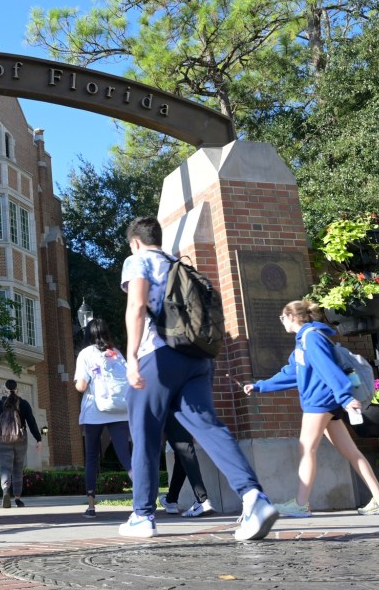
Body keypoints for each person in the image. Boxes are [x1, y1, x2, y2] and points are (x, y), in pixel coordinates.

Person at [120, 216, 278, 540]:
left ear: (135, 241)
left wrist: (132, 356)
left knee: (145, 433)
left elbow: (136, 306)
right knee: (208, 427)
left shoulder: (138, 260)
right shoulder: (180, 265)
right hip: (198, 358)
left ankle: (142, 516)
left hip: (159, 356)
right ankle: (254, 497)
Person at [243, 300, 379, 517]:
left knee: (306, 449)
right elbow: (292, 373)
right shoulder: (304, 341)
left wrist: (344, 397)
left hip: (320, 402)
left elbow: (328, 369)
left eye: (282, 317)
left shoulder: (311, 338)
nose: (281, 322)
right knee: (351, 452)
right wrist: (260, 386)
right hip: (326, 402)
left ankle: (301, 504)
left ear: (293, 317)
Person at [74, 317, 133, 518]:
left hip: (94, 412)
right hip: (120, 410)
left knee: (91, 457)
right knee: (126, 456)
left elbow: (81, 386)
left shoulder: (85, 354)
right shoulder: (116, 353)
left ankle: (91, 506)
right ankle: (143, 500)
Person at [0, 379, 41, 508]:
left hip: (3, 438)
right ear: (17, 389)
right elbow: (31, 422)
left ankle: (5, 490)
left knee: (5, 467)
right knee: (18, 468)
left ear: (5, 389)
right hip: (20, 438)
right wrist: (38, 439)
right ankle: (18, 498)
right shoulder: (23, 404)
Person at [159, 416, 215, 517]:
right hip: (183, 411)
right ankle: (171, 500)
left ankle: (202, 501)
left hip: (172, 410)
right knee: (182, 455)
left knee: (184, 449)